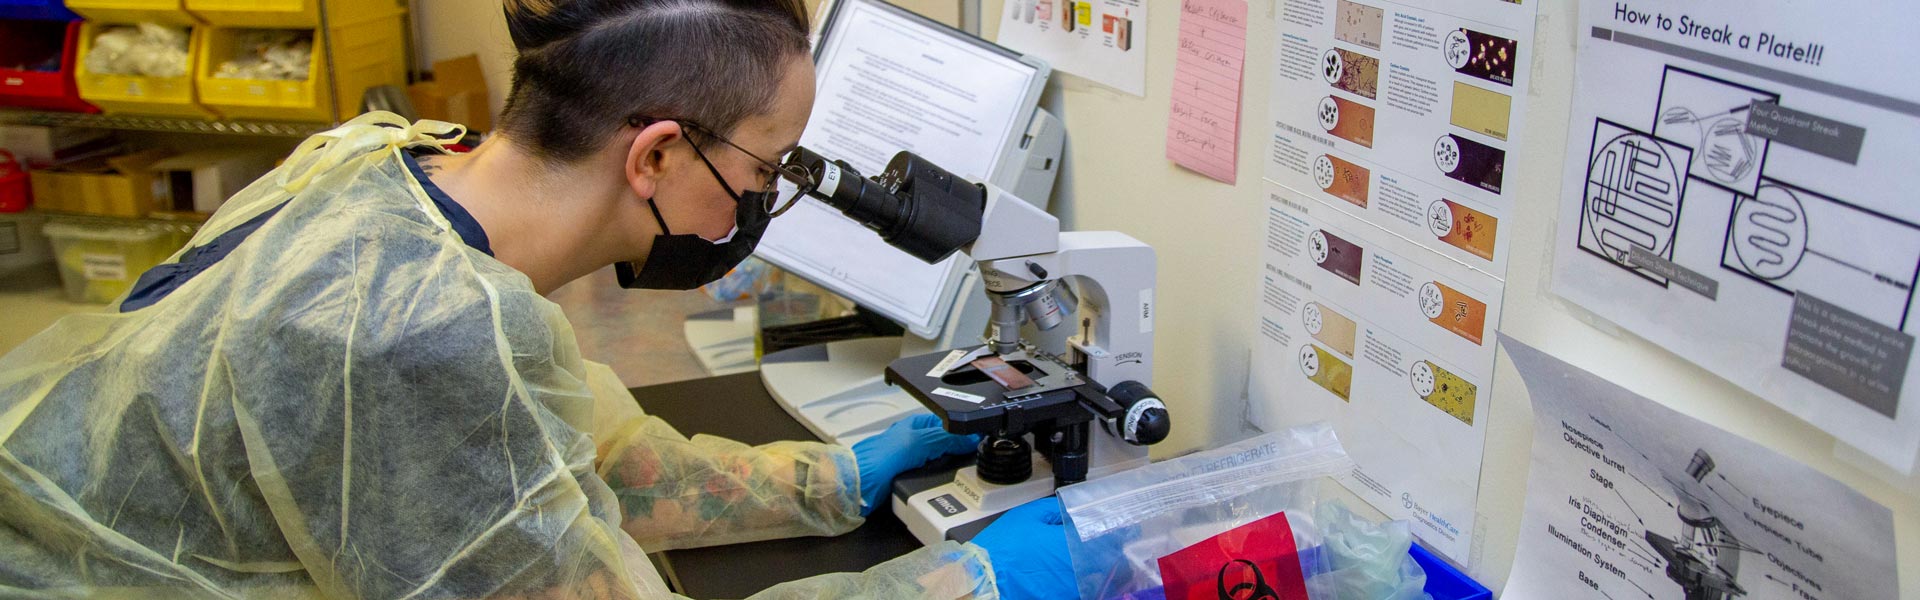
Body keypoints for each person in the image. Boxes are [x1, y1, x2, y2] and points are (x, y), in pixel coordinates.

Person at [0, 0, 1076, 598]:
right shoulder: (417, 332)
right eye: (767, 167)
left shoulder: (406, 169)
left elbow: (572, 449)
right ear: (655, 155)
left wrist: (828, 477)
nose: (762, 200)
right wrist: (971, 586)